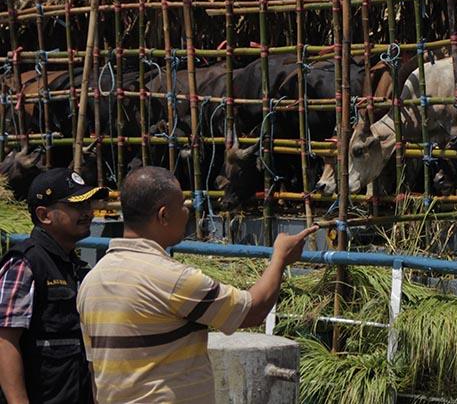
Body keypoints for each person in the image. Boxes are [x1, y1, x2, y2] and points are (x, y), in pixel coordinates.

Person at [78, 166, 318, 403]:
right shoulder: (173, 279)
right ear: (164, 215)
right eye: (182, 204)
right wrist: (280, 259)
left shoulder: (92, 281)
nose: (188, 210)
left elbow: (94, 370)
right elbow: (252, 310)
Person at [0, 168, 108, 404]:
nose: (87, 213)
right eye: (76, 206)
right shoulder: (26, 263)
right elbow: (5, 341)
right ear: (44, 215)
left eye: (88, 205)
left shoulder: (75, 266)